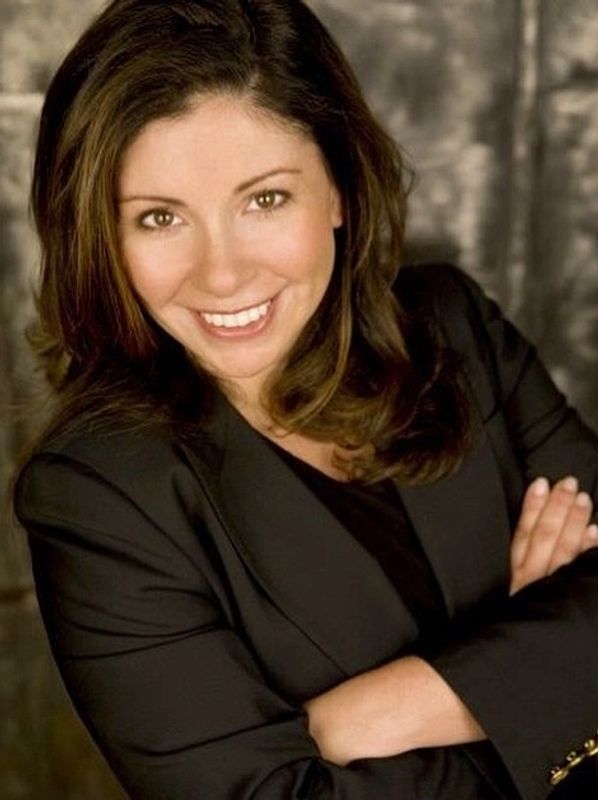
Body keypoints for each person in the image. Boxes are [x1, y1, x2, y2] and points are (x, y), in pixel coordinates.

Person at [13, 1, 598, 798]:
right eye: (159, 217)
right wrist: (542, 679)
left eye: (264, 200)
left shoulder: (455, 330)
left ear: (339, 190)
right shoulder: (96, 497)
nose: (222, 274)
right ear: (101, 240)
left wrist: (366, 719)